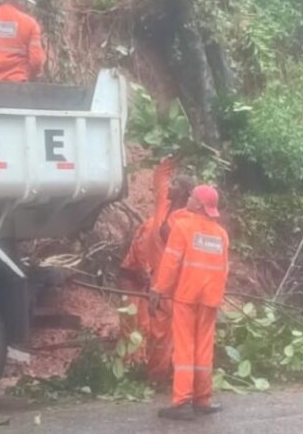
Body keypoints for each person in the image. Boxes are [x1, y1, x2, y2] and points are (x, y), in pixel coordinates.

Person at [150, 184, 229, 420]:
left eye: (191, 197)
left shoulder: (183, 228)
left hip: (186, 296)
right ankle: (202, 399)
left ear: (198, 204)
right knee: (204, 348)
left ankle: (182, 400)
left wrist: (158, 289)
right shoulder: (221, 235)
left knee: (184, 348)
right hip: (210, 299)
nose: (188, 199)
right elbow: (224, 270)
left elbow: (171, 263)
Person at [118, 160, 195, 383]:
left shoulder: (186, 220)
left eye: (175, 185)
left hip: (172, 286)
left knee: (169, 333)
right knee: (157, 332)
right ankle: (156, 374)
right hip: (155, 282)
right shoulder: (163, 208)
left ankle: (166, 376)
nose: (170, 187)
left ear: (184, 193)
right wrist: (171, 153)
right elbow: (160, 178)